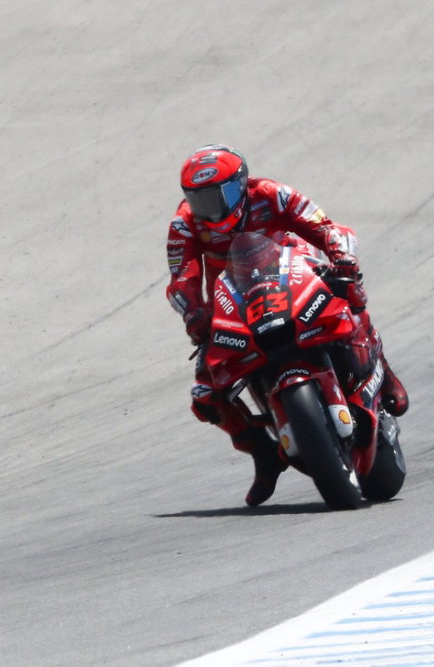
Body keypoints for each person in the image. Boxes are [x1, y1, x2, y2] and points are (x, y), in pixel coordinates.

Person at [166, 144, 408, 507]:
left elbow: (324, 227)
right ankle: (263, 453)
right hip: (235, 303)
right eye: (201, 199)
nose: (211, 207)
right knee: (206, 394)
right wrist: (194, 315)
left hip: (292, 275)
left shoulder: (271, 194)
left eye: (221, 194)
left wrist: (342, 259)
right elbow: (181, 280)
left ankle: (383, 372)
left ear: (241, 184)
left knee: (349, 295)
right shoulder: (184, 224)